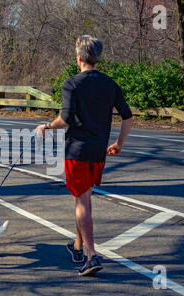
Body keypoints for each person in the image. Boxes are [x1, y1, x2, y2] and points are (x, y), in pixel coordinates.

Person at [36, 35, 133, 276]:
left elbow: (66, 119)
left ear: (79, 58)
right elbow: (128, 116)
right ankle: (78, 246)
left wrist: (46, 126)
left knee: (82, 203)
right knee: (85, 200)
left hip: (77, 152)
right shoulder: (110, 84)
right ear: (97, 58)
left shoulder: (72, 83)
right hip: (98, 153)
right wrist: (119, 144)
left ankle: (92, 255)